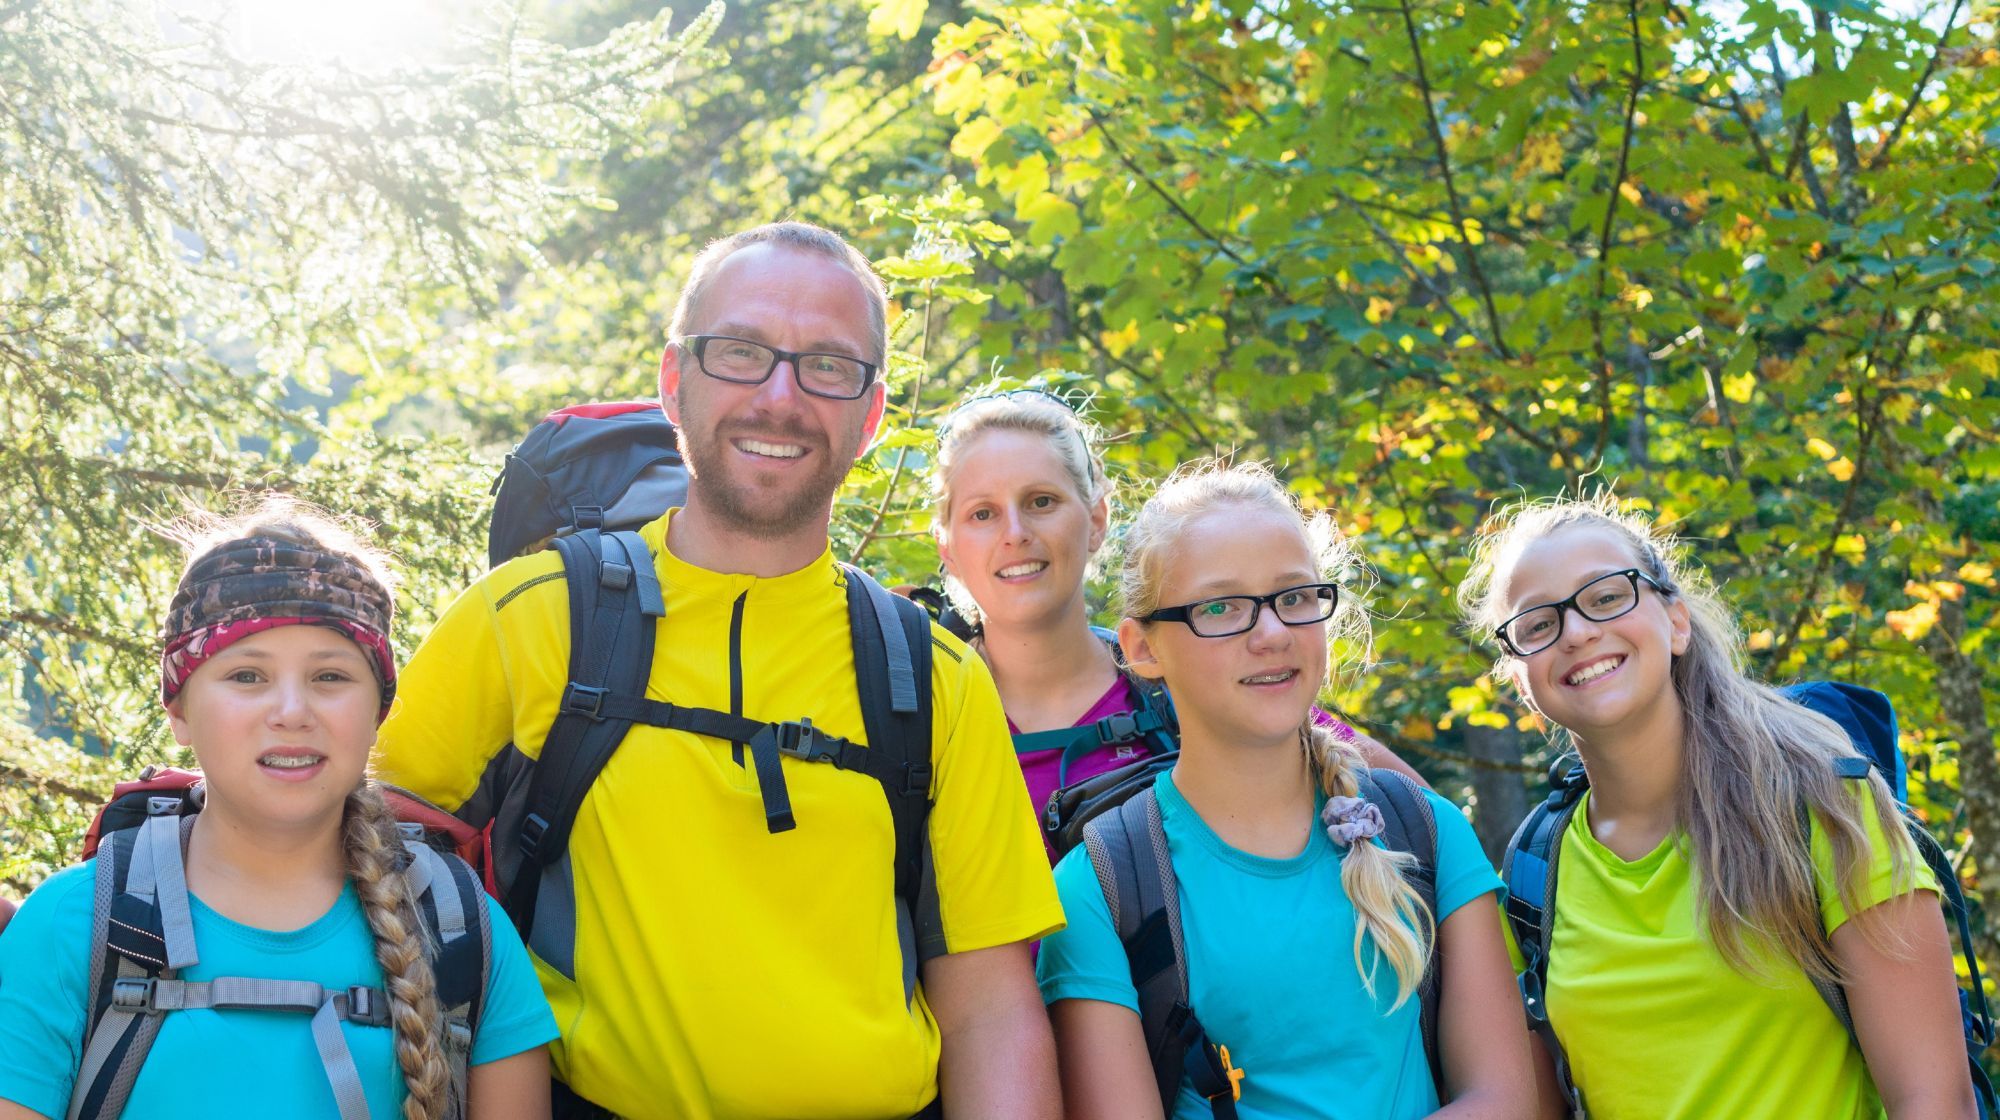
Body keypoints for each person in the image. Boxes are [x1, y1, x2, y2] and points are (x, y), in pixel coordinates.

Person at [372, 222, 1063, 1119]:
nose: (780, 396)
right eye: (741, 352)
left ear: (870, 414)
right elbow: (344, 864)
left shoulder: (932, 676)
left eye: (827, 365)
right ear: (675, 381)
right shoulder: (531, 620)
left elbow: (992, 1012)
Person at [0, 497, 556, 1120]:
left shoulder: (461, 934)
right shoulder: (70, 926)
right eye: (246, 676)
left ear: (380, 712)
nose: (292, 712)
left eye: (330, 677)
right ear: (179, 710)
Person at [1036, 461, 1533, 1119]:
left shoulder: (1426, 831)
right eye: (1222, 607)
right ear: (1143, 648)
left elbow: (1504, 1097)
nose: (1271, 633)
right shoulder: (1104, 886)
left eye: (1295, 597)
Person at [1457, 494, 1974, 1119]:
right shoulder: (1536, 873)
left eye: (1605, 596)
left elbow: (1935, 1102)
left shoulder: (1822, 805)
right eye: (1538, 624)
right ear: (1520, 679)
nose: (1577, 631)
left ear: (1676, 623)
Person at [929, 389, 1426, 860]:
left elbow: (1429, 822)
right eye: (983, 513)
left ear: (1097, 518)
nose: (1015, 534)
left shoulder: (1183, 682)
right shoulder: (922, 717)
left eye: (1042, 501)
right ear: (946, 547)